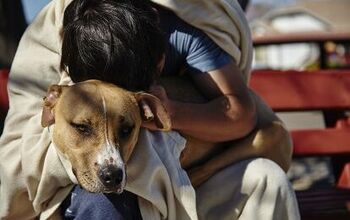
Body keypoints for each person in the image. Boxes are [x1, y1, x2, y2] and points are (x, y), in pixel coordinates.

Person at [0, 0, 300, 219]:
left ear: (158, 63)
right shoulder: (57, 34)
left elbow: (240, 113)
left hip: (196, 175)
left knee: (267, 180)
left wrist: (172, 113)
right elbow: (24, 138)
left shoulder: (183, 35)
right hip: (103, 192)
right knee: (103, 202)